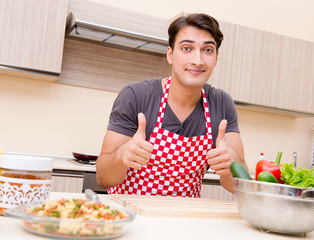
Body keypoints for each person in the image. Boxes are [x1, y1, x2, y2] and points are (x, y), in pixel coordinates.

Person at [96, 13, 248, 197]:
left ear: (216, 58)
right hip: (132, 215)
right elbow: (103, 179)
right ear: (170, 54)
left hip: (185, 219)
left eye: (207, 50)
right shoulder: (136, 96)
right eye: (186, 48)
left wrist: (233, 163)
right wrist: (121, 155)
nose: (198, 61)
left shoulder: (222, 103)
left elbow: (238, 187)